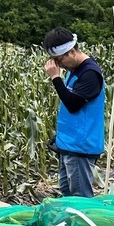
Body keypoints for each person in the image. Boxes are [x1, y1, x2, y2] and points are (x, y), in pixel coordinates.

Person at [42, 27, 106, 196]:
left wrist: (56, 78)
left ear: (71, 52)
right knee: (67, 192)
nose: (58, 65)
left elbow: (73, 104)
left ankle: (85, 222)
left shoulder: (90, 73)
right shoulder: (75, 70)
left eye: (59, 60)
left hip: (80, 148)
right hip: (69, 145)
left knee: (80, 197)